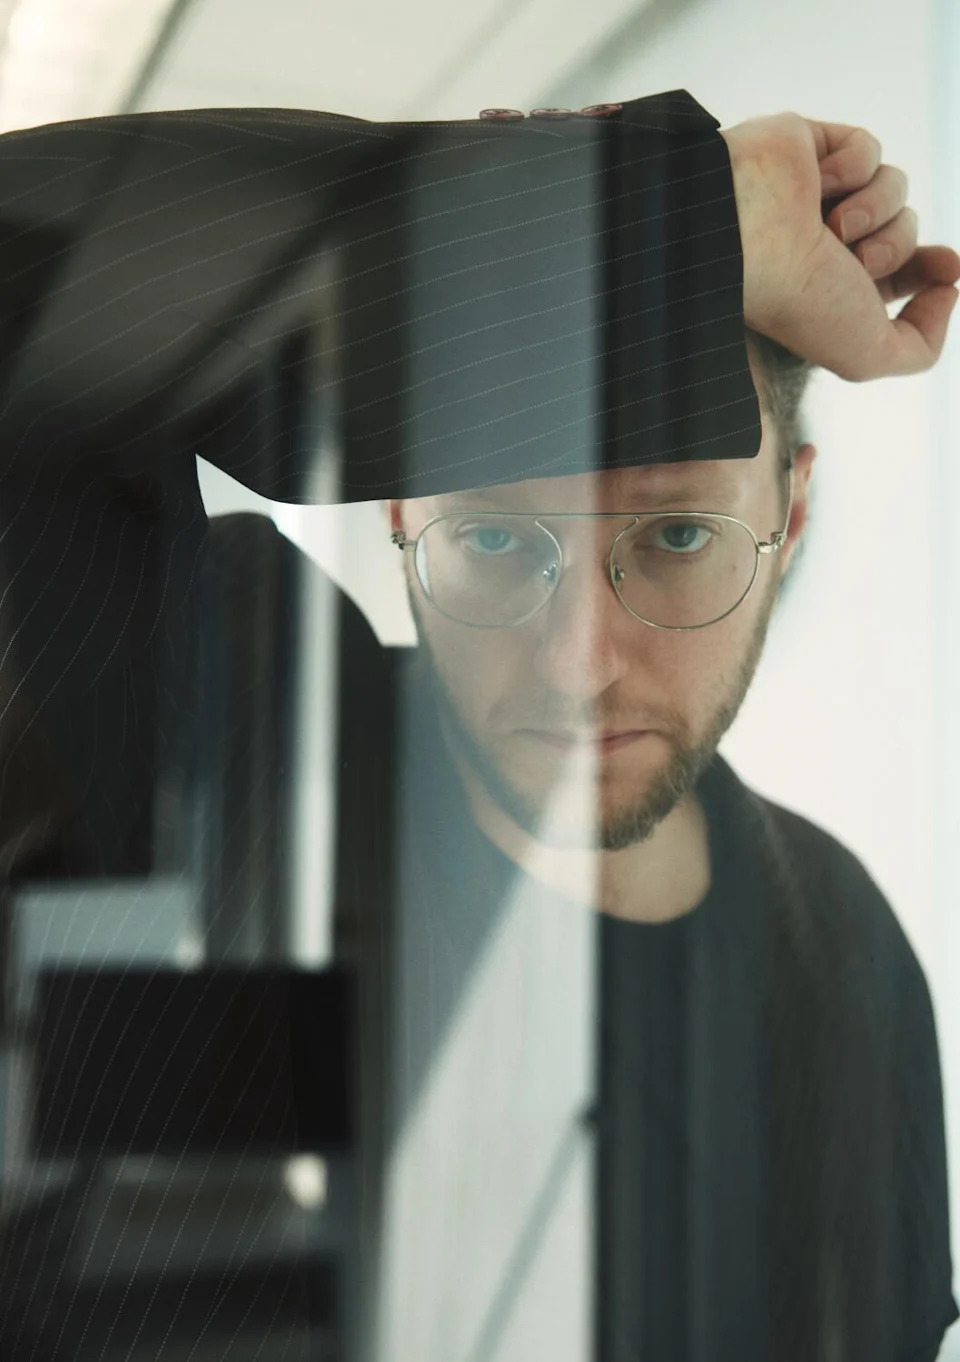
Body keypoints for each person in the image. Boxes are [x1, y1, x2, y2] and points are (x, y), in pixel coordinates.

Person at [375, 116, 960, 1362]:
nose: (580, 664)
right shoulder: (238, 771)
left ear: (791, 514)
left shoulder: (849, 944)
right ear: (397, 505)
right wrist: (693, 213)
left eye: (678, 536)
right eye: (490, 538)